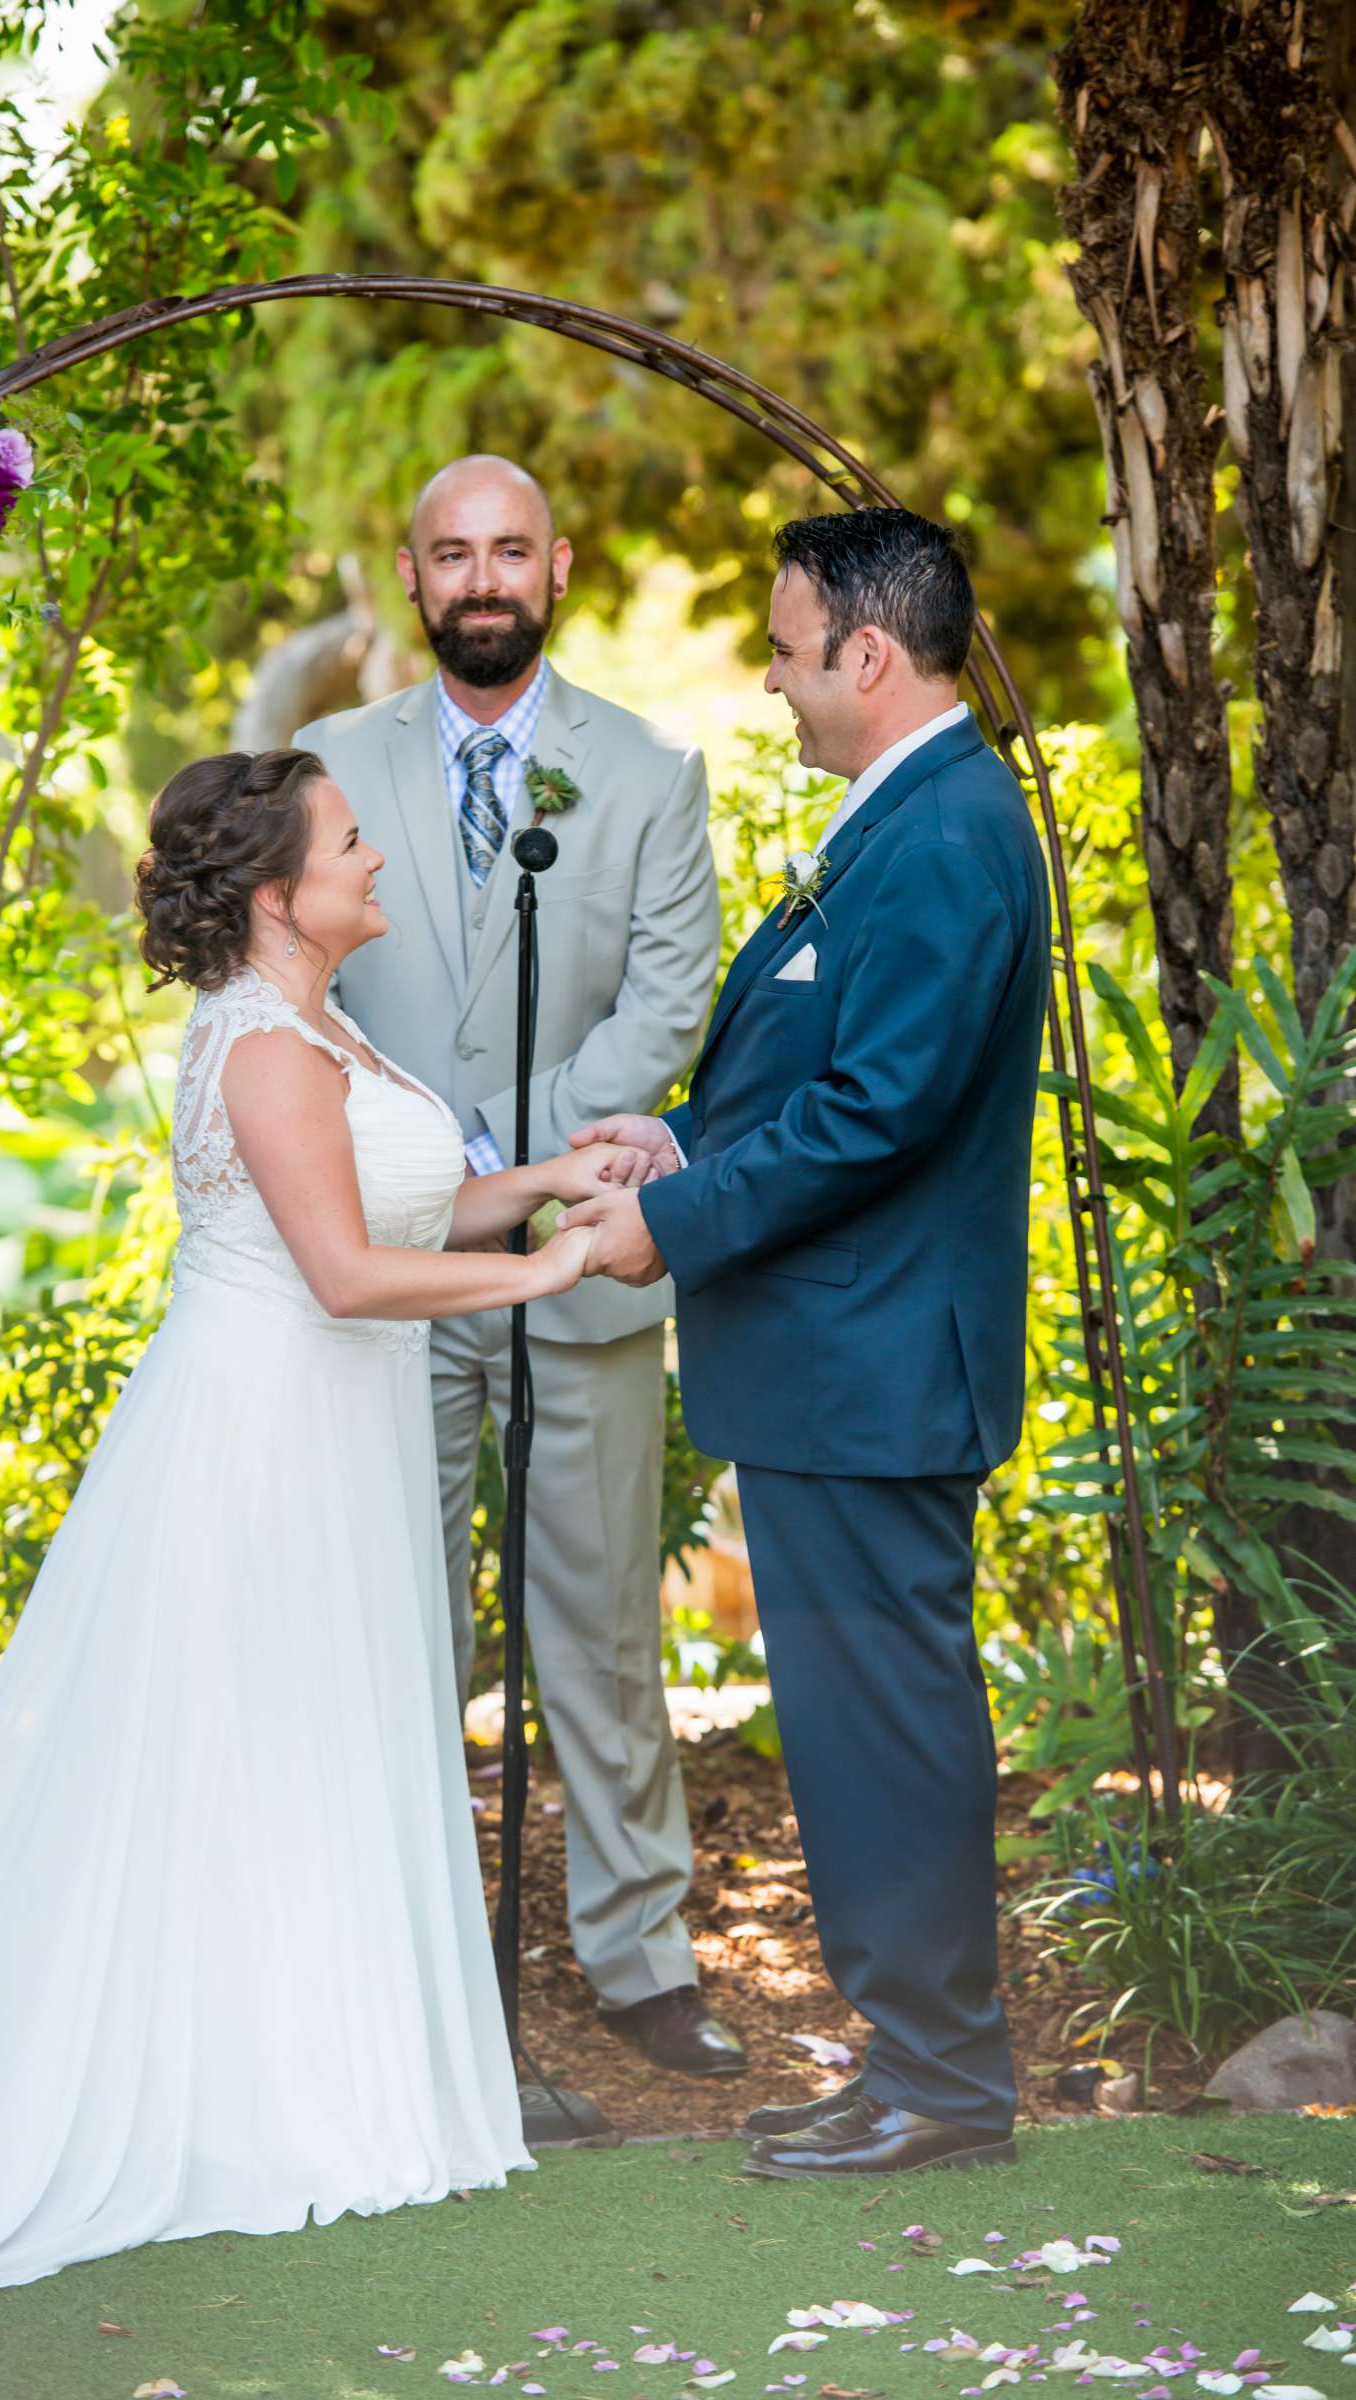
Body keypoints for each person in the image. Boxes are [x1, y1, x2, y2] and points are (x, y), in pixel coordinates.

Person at [0, 746, 648, 2313]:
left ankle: (292, 2071)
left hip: (332, 1433)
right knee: (233, 1751)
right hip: (261, 1437)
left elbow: (408, 1208)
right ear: (272, 892)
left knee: (305, 1747)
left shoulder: (317, 1027)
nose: (375, 860)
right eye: (352, 842)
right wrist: (551, 1270)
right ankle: (219, 2099)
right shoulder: (265, 1046)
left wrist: (556, 1177)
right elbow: (348, 1274)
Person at [564, 508, 1051, 2177]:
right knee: (856, 1733)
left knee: (887, 1732)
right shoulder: (899, 819)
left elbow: (880, 1113)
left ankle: (943, 2088)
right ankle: (906, 2060)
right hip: (838, 1367)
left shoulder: (941, 833)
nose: (768, 681)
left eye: (783, 650)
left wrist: (672, 1225)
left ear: (866, 652)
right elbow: (820, 1078)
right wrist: (685, 1143)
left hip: (874, 1369)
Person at [296, 456, 744, 2081]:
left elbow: (665, 1013)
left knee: (601, 1622)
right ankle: (390, 1941)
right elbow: (298, 1003)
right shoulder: (325, 764)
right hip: (389, 1263)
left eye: (508, 551)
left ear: (556, 567)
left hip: (578, 1253)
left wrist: (501, 1156)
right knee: (387, 1609)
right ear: (410, 578)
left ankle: (639, 1953)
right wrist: (435, 1172)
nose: (481, 579)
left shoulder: (646, 770)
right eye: (449, 554)